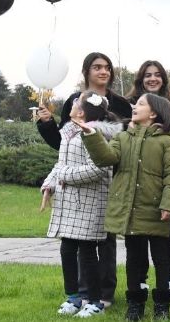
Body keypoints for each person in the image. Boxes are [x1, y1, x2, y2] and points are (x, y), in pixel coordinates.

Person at [77, 93, 170, 322]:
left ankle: (162, 305)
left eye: (141, 104)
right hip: (131, 213)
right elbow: (106, 157)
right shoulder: (123, 138)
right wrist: (91, 135)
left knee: (162, 260)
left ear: (153, 113)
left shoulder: (168, 142)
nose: (135, 106)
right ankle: (135, 305)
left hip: (157, 212)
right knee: (134, 260)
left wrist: (169, 205)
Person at [36, 51, 130, 307]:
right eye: (97, 67)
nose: (103, 71)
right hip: (74, 194)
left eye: (107, 67)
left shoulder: (120, 105)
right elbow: (63, 147)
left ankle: (103, 294)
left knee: (103, 242)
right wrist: (47, 123)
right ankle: (81, 293)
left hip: (104, 185)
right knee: (75, 247)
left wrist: (64, 175)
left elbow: (115, 151)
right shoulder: (73, 104)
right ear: (87, 71)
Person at [42, 93, 118, 318]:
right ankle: (73, 297)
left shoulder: (93, 135)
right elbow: (60, 164)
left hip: (89, 203)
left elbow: (99, 169)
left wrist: (64, 175)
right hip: (69, 204)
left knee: (87, 252)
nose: (71, 105)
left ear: (81, 112)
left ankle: (95, 302)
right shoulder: (67, 133)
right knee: (67, 249)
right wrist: (49, 184)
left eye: (76, 103)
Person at [127, 59, 170, 299]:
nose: (152, 78)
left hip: (162, 181)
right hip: (137, 187)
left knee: (164, 240)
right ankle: (139, 282)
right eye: (147, 75)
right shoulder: (131, 108)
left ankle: (166, 282)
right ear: (140, 79)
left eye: (157, 74)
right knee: (137, 245)